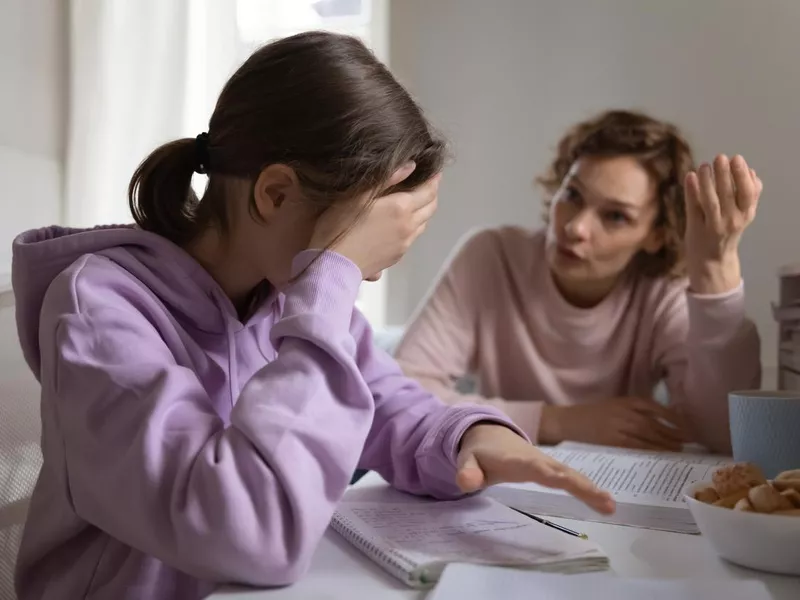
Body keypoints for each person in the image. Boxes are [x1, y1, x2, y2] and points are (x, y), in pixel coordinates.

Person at [11, 33, 613, 600]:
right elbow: (248, 531)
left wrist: (472, 437)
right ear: (274, 194)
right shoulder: (99, 310)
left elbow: (393, 407)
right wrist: (333, 277)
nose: (368, 276)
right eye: (361, 251)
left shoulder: (290, 298)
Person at [395, 109, 762, 455]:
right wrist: (560, 421)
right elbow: (401, 393)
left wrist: (715, 271)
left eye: (616, 216)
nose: (575, 227)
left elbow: (723, 435)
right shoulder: (491, 257)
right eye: (572, 195)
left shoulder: (662, 294)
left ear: (656, 235)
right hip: (498, 479)